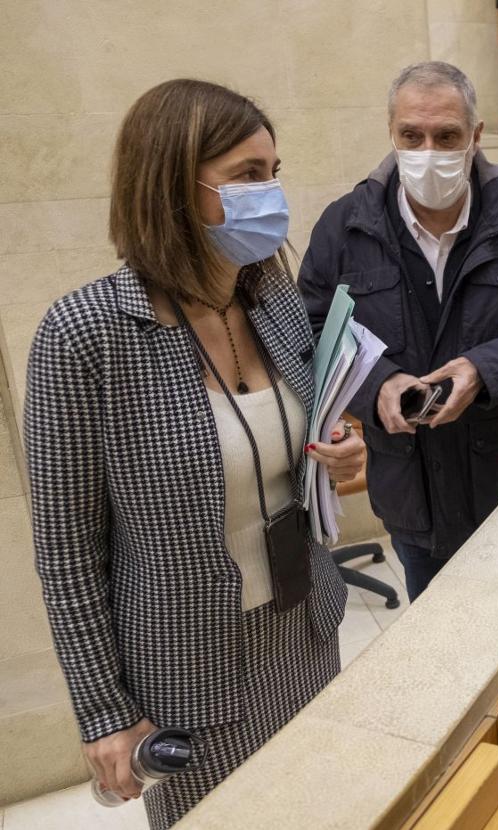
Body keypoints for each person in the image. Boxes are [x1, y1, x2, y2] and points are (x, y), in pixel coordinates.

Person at [24, 79, 364, 829]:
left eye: (274, 172)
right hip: (188, 671)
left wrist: (338, 452)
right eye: (247, 176)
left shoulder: (270, 296)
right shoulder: (85, 337)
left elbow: (300, 441)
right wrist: (103, 713)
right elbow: (67, 552)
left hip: (304, 626)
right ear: (173, 186)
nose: (269, 194)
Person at [299, 61, 498, 601]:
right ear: (390, 133)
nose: (428, 151)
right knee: (437, 640)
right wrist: (380, 384)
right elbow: (314, 325)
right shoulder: (346, 225)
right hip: (411, 489)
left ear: (476, 136)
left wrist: (482, 370)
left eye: (447, 136)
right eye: (411, 136)